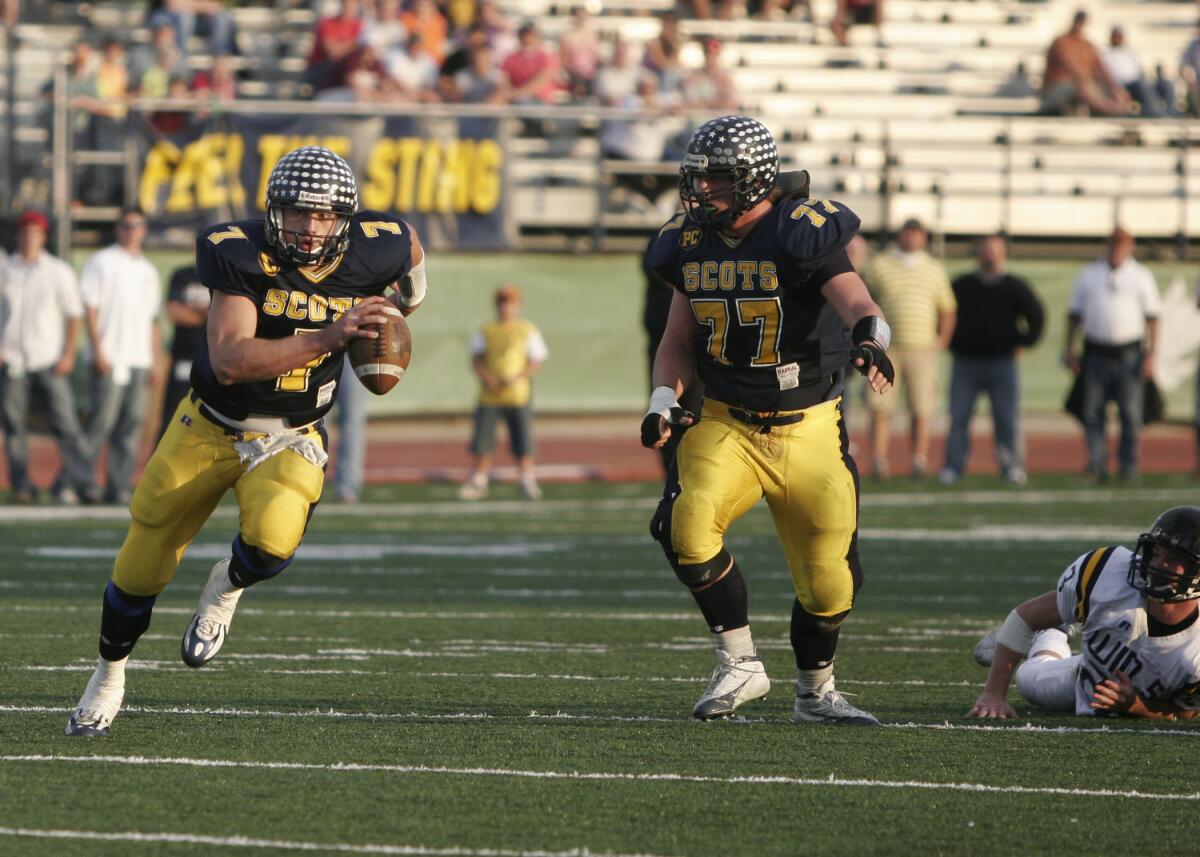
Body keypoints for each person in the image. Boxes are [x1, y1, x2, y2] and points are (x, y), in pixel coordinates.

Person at [65, 146, 428, 736]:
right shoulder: (236, 250)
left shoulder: (375, 242)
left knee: (272, 544)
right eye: (297, 213)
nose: (310, 229)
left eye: (325, 215)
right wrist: (332, 335)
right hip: (208, 425)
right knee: (141, 564)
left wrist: (406, 302)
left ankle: (226, 587)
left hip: (292, 434)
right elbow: (232, 359)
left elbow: (410, 248)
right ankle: (109, 674)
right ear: (272, 212)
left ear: (346, 218)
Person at [641, 115, 895, 725]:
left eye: (717, 180)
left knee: (832, 584)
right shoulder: (689, 241)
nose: (701, 192)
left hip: (810, 426)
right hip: (727, 419)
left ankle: (816, 692)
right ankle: (739, 661)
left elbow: (861, 305)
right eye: (697, 179)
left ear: (754, 181)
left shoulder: (798, 230)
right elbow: (678, 339)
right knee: (685, 522)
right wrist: (660, 399)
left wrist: (872, 341)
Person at [968, 506, 1200, 722]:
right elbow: (1024, 618)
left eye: (1174, 560)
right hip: (1086, 677)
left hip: (1116, 688)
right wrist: (993, 695)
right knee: (1026, 679)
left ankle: (1052, 631)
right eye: (1156, 553)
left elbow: (1186, 712)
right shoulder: (1110, 572)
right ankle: (1051, 632)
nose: (1158, 564)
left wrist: (1134, 704)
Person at [0, 210, 92, 505]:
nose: (29, 238)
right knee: (14, 427)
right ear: (18, 235)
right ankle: (22, 486)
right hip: (12, 357)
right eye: (25, 232)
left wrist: (67, 353)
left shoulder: (58, 271)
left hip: (49, 358)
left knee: (66, 424)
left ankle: (79, 482)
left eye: (35, 233)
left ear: (43, 237)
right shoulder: (5, 269)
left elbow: (74, 315)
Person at [939, 235, 1044, 486]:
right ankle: (954, 467)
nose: (990, 255)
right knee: (959, 417)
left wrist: (1024, 343)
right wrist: (950, 342)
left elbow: (1036, 316)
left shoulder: (1015, 286)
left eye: (995, 250)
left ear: (1004, 253)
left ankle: (1012, 466)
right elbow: (944, 313)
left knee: (1007, 418)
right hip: (965, 363)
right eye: (986, 250)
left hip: (1002, 364)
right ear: (978, 253)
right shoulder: (962, 285)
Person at [79, 207, 165, 505]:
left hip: (139, 359)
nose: (132, 231)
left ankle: (118, 484)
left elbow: (153, 320)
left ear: (144, 230)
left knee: (131, 426)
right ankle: (85, 481)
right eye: (127, 225)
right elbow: (90, 308)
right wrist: (97, 349)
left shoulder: (148, 271)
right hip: (111, 356)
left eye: (138, 226)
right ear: (119, 229)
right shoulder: (101, 262)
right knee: (101, 422)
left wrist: (155, 360)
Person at [1063, 227, 1160, 482]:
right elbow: (1074, 315)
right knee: (1093, 412)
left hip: (1129, 353)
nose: (1116, 249)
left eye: (1122, 245)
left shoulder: (1140, 276)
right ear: (1105, 246)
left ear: (1130, 248)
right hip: (1095, 351)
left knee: (1130, 413)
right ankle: (1096, 463)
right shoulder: (1089, 274)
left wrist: (1151, 355)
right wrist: (1069, 348)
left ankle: (1129, 465)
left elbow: (1152, 319)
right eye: (1113, 244)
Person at [861, 218, 955, 480]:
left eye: (917, 233)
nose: (912, 238)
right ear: (900, 235)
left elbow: (947, 308)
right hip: (886, 348)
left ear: (923, 237)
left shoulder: (934, 269)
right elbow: (863, 300)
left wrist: (941, 340)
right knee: (880, 407)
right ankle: (879, 461)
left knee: (921, 408)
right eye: (908, 232)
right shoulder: (878, 265)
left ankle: (919, 460)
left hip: (922, 348)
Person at [458, 283, 548, 501]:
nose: (505, 307)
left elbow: (535, 361)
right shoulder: (487, 329)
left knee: (523, 440)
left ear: (518, 305)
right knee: (483, 440)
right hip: (491, 395)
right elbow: (476, 359)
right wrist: (487, 378)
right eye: (502, 302)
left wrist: (517, 377)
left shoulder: (526, 330)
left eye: (509, 302)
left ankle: (527, 478)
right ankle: (479, 479)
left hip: (517, 394)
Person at [1040, 10, 1132, 117]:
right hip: (1059, 89)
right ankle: (1112, 110)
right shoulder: (1061, 42)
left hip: (1084, 87)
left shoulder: (1088, 45)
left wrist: (1116, 89)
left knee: (1107, 89)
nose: (1080, 24)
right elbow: (1071, 67)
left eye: (1082, 21)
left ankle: (1116, 109)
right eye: (1078, 20)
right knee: (1080, 87)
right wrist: (1085, 82)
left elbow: (1102, 70)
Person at [159, 263, 210, 440]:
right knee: (174, 409)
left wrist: (195, 312)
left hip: (213, 359)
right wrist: (209, 315)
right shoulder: (183, 275)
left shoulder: (224, 273)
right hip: (184, 355)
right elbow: (174, 312)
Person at [332, 355, 367, 503]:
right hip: (319, 348)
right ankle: (309, 480)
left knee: (352, 422)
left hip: (353, 352)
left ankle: (348, 487)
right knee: (314, 420)